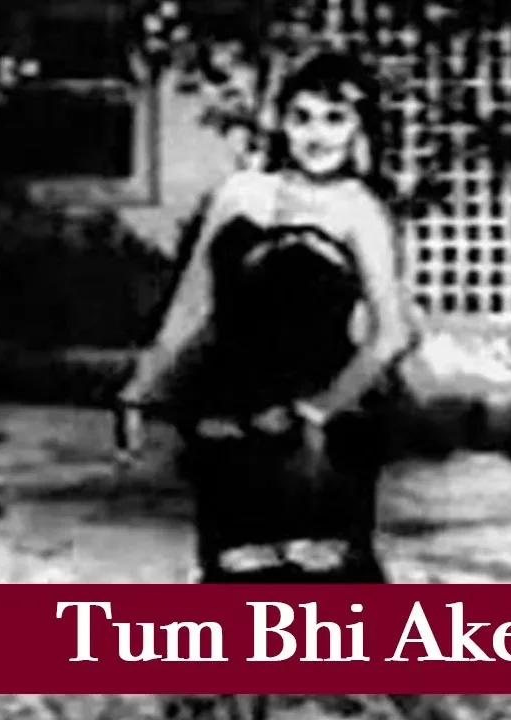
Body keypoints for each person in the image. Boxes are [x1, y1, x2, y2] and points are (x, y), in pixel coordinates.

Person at [112, 52, 418, 583]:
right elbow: (191, 306)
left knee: (321, 583)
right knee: (234, 574)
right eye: (302, 118)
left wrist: (320, 413)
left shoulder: (359, 210)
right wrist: (139, 389)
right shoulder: (238, 194)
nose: (316, 135)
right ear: (281, 123)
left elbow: (392, 334)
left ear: (360, 129)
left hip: (319, 421)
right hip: (226, 409)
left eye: (334, 119)